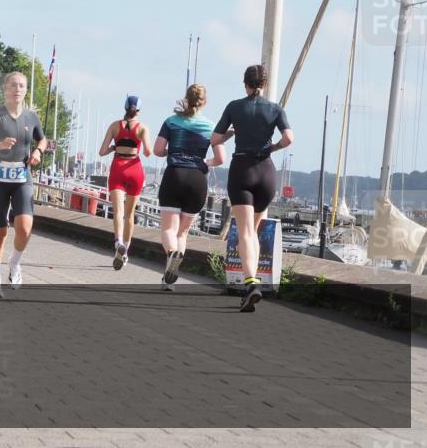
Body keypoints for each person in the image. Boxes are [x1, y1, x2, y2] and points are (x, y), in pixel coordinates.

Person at [210, 65, 293, 312]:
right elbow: (288, 138)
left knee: (245, 232)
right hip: (266, 171)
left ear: (245, 84)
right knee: (253, 231)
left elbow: (214, 139)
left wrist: (229, 134)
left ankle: (250, 283)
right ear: (264, 85)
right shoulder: (275, 109)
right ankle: (253, 277)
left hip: (242, 169)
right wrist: (273, 148)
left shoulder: (234, 107)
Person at [0, 72, 47, 298]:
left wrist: (37, 151)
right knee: (0, 232)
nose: (17, 89)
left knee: (25, 228)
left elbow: (42, 139)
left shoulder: (31, 117)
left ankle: (15, 263)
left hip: (22, 177)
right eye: (13, 85)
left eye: (22, 86)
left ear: (26, 90)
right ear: (5, 89)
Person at [153, 84, 225, 291]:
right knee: (182, 234)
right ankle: (169, 280)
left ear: (186, 98)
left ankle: (171, 256)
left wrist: (173, 151)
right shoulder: (211, 126)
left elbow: (158, 150)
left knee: (168, 229)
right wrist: (204, 163)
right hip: (197, 179)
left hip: (174, 174)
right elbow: (221, 158)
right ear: (204, 102)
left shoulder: (171, 121)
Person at [98, 95, 153, 270]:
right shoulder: (142, 128)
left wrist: (115, 147)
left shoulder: (115, 126)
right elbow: (148, 152)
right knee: (130, 215)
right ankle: (126, 252)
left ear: (125, 107)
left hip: (118, 168)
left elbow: (101, 151)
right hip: (135, 169)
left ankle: (117, 242)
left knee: (118, 212)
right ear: (139, 110)